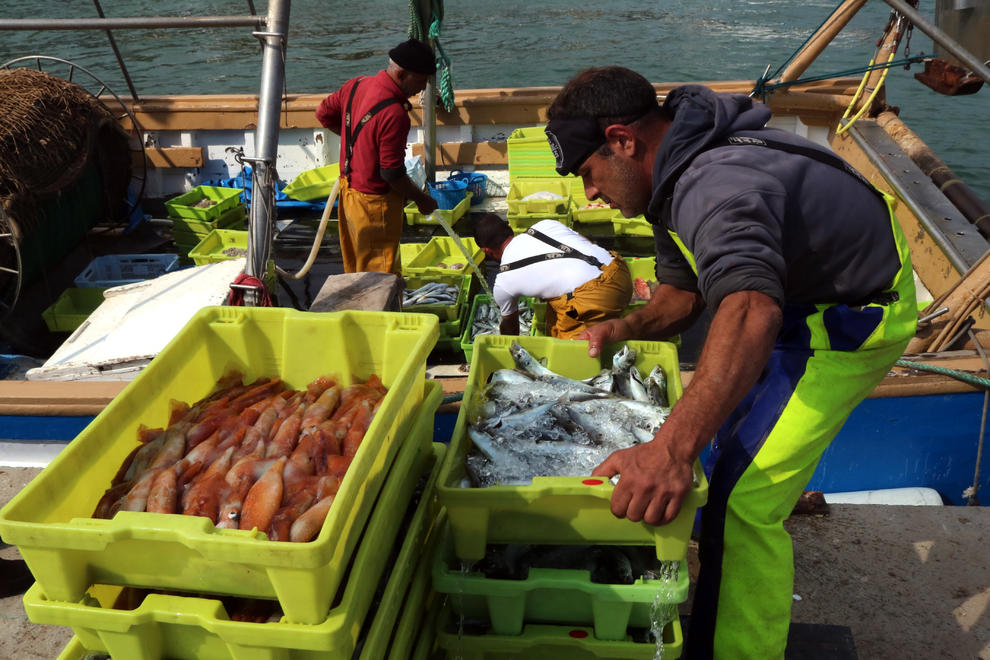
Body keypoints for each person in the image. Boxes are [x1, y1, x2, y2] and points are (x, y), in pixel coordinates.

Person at [545, 67, 916, 659]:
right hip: (795, 297)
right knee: (723, 455)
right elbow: (683, 294)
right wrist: (630, 325)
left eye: (588, 174)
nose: (589, 193)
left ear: (622, 140)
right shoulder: (668, 176)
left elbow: (748, 311)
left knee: (744, 504)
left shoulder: (713, 186)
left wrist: (668, 451)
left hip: (851, 318)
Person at [315, 39, 438, 274]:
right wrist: (421, 199)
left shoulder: (356, 85)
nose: (422, 89)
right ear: (402, 74)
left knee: (356, 270)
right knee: (380, 277)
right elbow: (392, 173)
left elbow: (323, 113)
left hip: (348, 195)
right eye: (421, 81)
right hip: (374, 207)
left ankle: (358, 309)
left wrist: (357, 142)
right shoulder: (395, 114)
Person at [474, 213, 632, 338]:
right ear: (509, 229)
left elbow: (511, 328)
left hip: (597, 298)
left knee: (566, 352)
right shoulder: (546, 224)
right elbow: (585, 242)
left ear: (486, 251)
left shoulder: (503, 282)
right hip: (619, 270)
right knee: (555, 312)